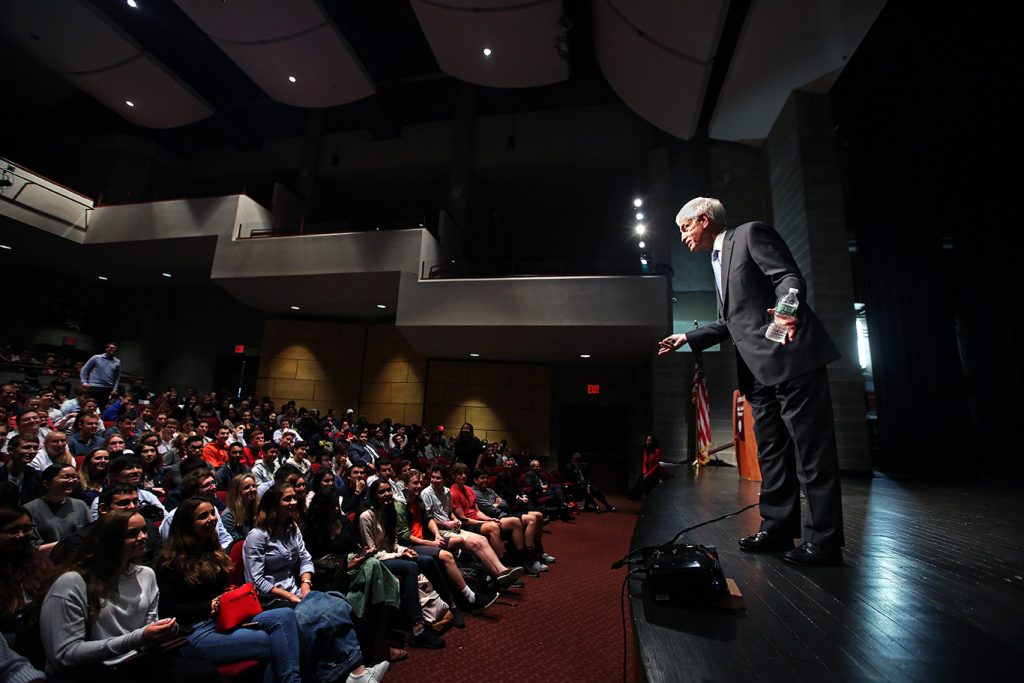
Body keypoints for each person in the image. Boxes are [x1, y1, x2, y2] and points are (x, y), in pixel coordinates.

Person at [660, 196, 844, 565]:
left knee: (812, 454)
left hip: (791, 359)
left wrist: (788, 312)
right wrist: (688, 338)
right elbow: (734, 321)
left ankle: (824, 541)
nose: (683, 237)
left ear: (704, 219)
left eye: (684, 228)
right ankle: (777, 528)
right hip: (758, 373)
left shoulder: (748, 235)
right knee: (772, 453)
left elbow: (788, 277)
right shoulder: (716, 260)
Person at [37, 509, 220, 682]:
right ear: (110, 540)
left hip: (135, 659)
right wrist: (139, 638)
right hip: (89, 671)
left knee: (204, 672)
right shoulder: (72, 582)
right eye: (132, 534)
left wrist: (161, 633)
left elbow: (146, 631)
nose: (143, 537)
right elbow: (64, 655)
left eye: (143, 531)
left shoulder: (146, 575)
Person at [243, 484, 389, 683]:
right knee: (321, 615)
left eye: (294, 498)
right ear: (273, 504)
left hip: (296, 589)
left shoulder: (291, 527)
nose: (294, 502)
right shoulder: (257, 536)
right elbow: (256, 581)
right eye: (287, 499)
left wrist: (305, 584)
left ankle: (357, 671)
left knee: (339, 603)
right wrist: (291, 596)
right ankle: (352, 674)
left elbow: (305, 558)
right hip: (270, 601)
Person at [156, 497, 303, 682]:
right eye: (203, 516)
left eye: (212, 513)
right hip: (195, 632)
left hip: (225, 619)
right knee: (277, 642)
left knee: (285, 617)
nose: (212, 518)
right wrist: (207, 606)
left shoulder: (212, 551)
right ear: (187, 524)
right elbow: (168, 609)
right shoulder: (169, 562)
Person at [358, 480, 448, 647]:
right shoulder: (366, 517)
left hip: (391, 555)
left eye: (388, 491)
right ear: (374, 496)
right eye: (382, 492)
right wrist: (398, 554)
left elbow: (394, 543)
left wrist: (403, 551)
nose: (387, 495)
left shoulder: (389, 511)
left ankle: (450, 605)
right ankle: (418, 628)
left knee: (427, 560)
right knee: (411, 566)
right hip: (377, 561)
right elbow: (372, 552)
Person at [395, 469, 498, 613]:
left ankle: (480, 578)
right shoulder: (400, 505)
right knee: (446, 556)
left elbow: (428, 518)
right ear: (406, 486)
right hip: (411, 545)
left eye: (420, 482)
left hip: (426, 539)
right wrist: (431, 543)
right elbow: (404, 536)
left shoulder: (418, 500)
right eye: (415, 483)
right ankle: (470, 597)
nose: (419, 486)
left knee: (459, 541)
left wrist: (437, 535)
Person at [25, 465, 92, 554]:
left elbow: (90, 535)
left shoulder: (80, 505)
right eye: (66, 477)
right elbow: (31, 547)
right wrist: (66, 543)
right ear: (47, 483)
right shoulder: (29, 509)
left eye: (75, 477)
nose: (72, 481)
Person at [221, 473, 259, 541]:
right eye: (246, 487)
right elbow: (236, 542)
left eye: (253, 486)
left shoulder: (256, 508)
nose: (252, 489)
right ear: (237, 492)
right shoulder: (228, 515)